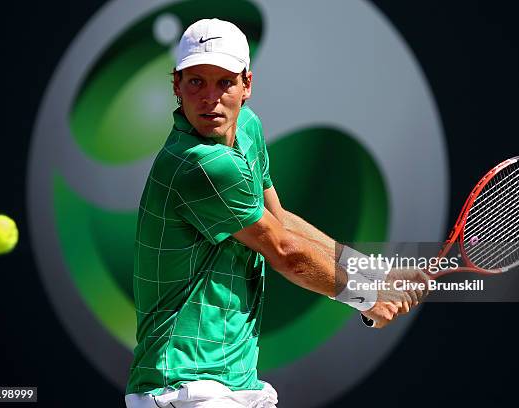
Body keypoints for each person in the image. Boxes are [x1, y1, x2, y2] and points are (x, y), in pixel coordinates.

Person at [125, 18, 428, 408]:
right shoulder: (198, 164)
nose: (210, 98)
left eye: (225, 82)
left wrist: (372, 272)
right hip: (185, 386)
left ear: (246, 85)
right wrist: (368, 296)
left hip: (234, 379)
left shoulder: (247, 129)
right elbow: (284, 251)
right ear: (176, 87)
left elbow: (280, 221)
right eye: (196, 81)